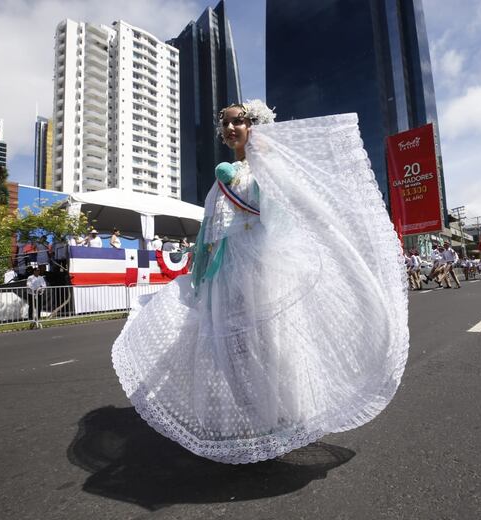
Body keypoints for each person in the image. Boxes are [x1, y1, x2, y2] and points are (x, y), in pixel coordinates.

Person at [111, 100, 409, 464]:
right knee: (234, 349)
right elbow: (210, 230)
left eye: (239, 121)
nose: (231, 128)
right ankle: (259, 414)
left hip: (263, 267)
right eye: (226, 124)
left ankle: (286, 414)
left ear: (255, 125)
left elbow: (291, 214)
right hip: (227, 273)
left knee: (270, 342)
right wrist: (201, 270)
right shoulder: (223, 177)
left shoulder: (271, 167)